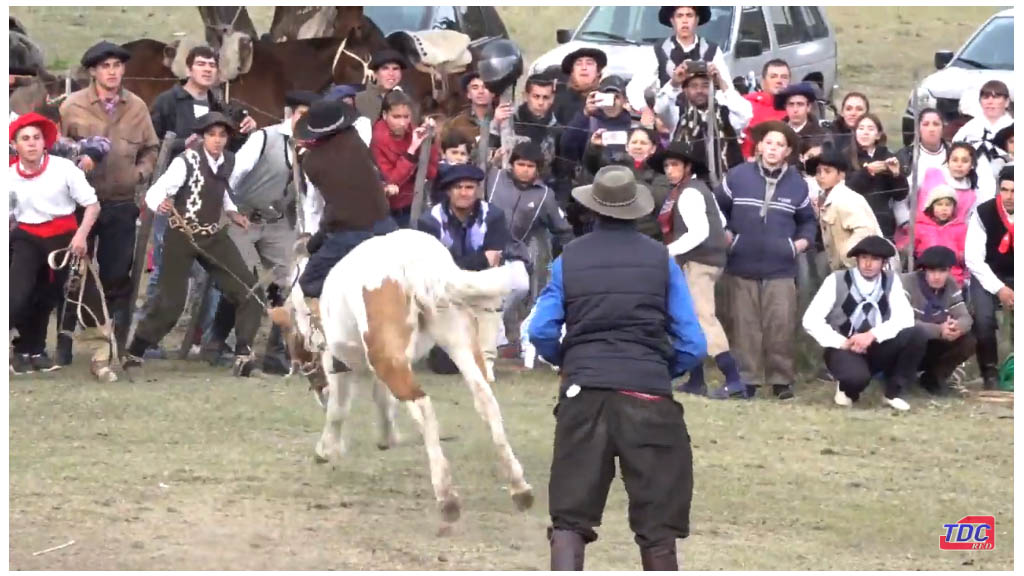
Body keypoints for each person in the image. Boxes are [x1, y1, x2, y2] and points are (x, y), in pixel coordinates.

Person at [527, 165, 706, 571]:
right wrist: (661, 369)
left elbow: (541, 330)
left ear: (594, 210)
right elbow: (693, 344)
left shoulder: (568, 259)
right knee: (658, 521)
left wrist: (567, 361)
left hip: (584, 391)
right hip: (647, 392)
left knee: (570, 517)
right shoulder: (661, 261)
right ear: (635, 210)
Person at [123, 113, 265, 377]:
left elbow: (221, 191)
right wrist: (161, 204)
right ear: (202, 137)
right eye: (212, 135)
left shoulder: (228, 161)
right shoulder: (185, 161)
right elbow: (156, 192)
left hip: (213, 235)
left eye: (222, 135)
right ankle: (136, 350)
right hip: (182, 235)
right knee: (171, 302)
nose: (217, 140)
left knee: (250, 290)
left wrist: (232, 212)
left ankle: (244, 356)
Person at [142, 44, 258, 362]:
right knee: (166, 271)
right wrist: (185, 145)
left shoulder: (218, 102)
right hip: (175, 194)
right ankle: (148, 337)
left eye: (212, 65)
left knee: (209, 274)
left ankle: (199, 338)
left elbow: (226, 149)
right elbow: (153, 143)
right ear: (189, 68)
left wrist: (247, 131)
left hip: (208, 198)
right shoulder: (169, 100)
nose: (207, 69)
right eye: (201, 64)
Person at [203, 90, 318, 374]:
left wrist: (304, 229)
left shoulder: (313, 147)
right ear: (290, 114)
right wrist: (230, 212)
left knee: (289, 282)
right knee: (246, 281)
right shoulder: (264, 138)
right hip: (243, 217)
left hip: (279, 220)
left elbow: (307, 192)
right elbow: (234, 175)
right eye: (302, 114)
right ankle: (218, 342)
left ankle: (276, 352)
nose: (306, 120)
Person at [59, 41, 159, 354]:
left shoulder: (138, 107)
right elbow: (56, 148)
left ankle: (112, 345)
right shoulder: (71, 105)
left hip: (120, 201)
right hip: (78, 204)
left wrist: (139, 174)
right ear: (92, 71)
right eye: (105, 66)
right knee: (74, 273)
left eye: (117, 65)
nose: (112, 72)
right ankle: (65, 343)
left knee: (117, 275)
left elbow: (151, 148)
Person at [716, 121, 817, 400]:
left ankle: (781, 380)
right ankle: (747, 379)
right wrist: (728, 237)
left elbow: (808, 222)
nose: (773, 149)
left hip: (781, 267)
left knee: (780, 323)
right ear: (759, 146)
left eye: (780, 145)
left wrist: (797, 246)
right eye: (769, 143)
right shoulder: (736, 176)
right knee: (744, 324)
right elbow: (716, 209)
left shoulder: (798, 185)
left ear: (787, 152)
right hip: (741, 263)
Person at [288, 99, 399, 329]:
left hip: (349, 233)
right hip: (386, 225)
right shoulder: (355, 139)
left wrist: (313, 243)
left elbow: (335, 210)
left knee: (309, 282)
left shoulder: (313, 162)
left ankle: (326, 334)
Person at [9, 113, 101, 374]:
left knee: (47, 296)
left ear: (44, 142)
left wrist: (81, 236)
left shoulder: (64, 168)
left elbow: (92, 205)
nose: (31, 143)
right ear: (14, 144)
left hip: (64, 237)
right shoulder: (9, 175)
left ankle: (33, 350)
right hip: (27, 235)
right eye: (25, 139)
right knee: (17, 293)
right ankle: (22, 347)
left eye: (36, 138)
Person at [651, 141, 744, 398]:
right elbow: (721, 222)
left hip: (699, 261)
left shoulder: (689, 192)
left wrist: (666, 251)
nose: (669, 170)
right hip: (701, 260)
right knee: (690, 317)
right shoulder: (694, 190)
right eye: (667, 165)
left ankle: (733, 379)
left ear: (687, 167)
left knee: (703, 318)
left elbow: (700, 232)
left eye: (675, 165)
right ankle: (697, 379)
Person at [802, 236, 925, 411]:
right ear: (857, 259)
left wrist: (872, 335)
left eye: (874, 259)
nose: (868, 264)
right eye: (864, 258)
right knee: (856, 379)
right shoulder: (836, 280)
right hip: (843, 347)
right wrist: (842, 342)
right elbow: (811, 319)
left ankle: (892, 393)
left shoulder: (891, 281)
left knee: (916, 333)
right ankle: (846, 386)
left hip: (875, 344)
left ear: (883, 262)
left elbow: (904, 317)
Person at [418, 163, 512, 381]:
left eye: (469, 187)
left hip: (480, 281)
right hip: (445, 287)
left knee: (494, 284)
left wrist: (453, 265)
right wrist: (471, 263)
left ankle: (486, 359)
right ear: (448, 191)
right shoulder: (430, 220)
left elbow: (493, 257)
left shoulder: (493, 215)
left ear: (477, 190)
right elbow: (431, 265)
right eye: (458, 187)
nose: (464, 192)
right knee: (445, 366)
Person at [485, 142, 574, 353]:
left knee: (521, 286)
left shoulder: (544, 195)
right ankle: (494, 339)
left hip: (515, 252)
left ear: (538, 169)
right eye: (521, 164)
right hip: (484, 249)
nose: (525, 170)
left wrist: (574, 253)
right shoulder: (495, 177)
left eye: (530, 166)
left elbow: (562, 228)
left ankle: (498, 328)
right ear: (512, 164)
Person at [628, 6, 731, 131]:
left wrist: (718, 80)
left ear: (697, 20)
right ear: (672, 20)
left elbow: (728, 91)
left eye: (689, 15)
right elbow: (635, 87)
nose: (685, 21)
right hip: (667, 120)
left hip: (704, 120)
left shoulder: (712, 50)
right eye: (680, 16)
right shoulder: (658, 50)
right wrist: (645, 109)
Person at [656, 61, 751, 178]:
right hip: (687, 186)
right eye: (693, 86)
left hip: (726, 185)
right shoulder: (677, 115)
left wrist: (721, 82)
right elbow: (660, 107)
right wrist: (674, 83)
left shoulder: (726, 114)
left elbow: (745, 114)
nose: (699, 90)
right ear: (685, 90)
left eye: (705, 85)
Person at [901, 246, 975, 395]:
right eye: (932, 271)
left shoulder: (950, 285)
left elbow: (965, 317)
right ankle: (901, 379)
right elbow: (904, 322)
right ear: (924, 270)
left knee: (969, 340)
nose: (937, 276)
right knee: (915, 333)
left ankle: (933, 379)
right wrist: (939, 330)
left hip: (933, 342)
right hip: (906, 344)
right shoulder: (906, 283)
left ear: (948, 271)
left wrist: (957, 327)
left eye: (942, 271)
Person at [965, 165, 1013, 390]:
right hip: (988, 273)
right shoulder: (984, 212)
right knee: (983, 319)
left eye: (1015, 191)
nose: (1009, 197)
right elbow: (973, 259)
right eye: (1005, 190)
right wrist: (999, 288)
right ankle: (989, 371)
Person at [807, 143, 883, 271]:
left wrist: (846, 257)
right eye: (818, 172)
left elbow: (864, 230)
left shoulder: (845, 198)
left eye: (827, 171)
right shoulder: (827, 198)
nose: (822, 176)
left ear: (841, 174)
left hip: (860, 268)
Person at [584, 126, 669, 240]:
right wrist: (594, 148)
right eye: (634, 142)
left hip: (645, 234)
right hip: (611, 230)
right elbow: (593, 166)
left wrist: (628, 175)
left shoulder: (660, 172)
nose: (638, 146)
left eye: (643, 143)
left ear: (653, 148)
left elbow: (659, 199)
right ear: (627, 147)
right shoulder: (616, 164)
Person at [370, 91, 440, 228]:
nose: (402, 123)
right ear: (385, 115)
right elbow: (392, 181)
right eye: (396, 117)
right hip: (388, 211)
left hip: (415, 203)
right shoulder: (377, 140)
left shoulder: (413, 132)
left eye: (406, 117)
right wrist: (411, 150)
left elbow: (431, 173)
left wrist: (429, 142)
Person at [844, 113, 907, 240]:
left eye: (870, 129)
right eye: (861, 129)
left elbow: (900, 195)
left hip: (882, 222)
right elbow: (846, 189)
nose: (865, 133)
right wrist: (867, 172)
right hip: (854, 220)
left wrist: (896, 174)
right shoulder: (846, 156)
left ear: (878, 135)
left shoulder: (887, 155)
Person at [490, 73, 560, 180]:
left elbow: (559, 168)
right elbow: (487, 151)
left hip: (541, 185)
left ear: (552, 99)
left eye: (545, 97)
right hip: (505, 180)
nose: (540, 102)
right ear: (526, 96)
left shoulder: (556, 129)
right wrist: (495, 123)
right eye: (536, 96)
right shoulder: (508, 120)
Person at [954, 79, 1013, 204]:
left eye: (996, 97)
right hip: (973, 193)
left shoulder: (1013, 130)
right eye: (986, 97)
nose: (990, 102)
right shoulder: (968, 130)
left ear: (1007, 102)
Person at [561, 75, 635, 166]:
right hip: (594, 175)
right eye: (607, 98)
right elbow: (566, 146)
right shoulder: (589, 121)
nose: (611, 103)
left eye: (616, 97)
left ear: (624, 100)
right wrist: (585, 114)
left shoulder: (633, 125)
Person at [913, 185, 968, 286]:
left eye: (948, 205)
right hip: (926, 276)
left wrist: (961, 256)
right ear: (931, 206)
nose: (944, 208)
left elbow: (964, 253)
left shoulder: (960, 227)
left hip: (954, 277)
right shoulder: (920, 226)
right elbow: (912, 251)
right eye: (939, 204)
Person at [740, 59, 791, 159]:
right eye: (773, 77)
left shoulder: (794, 106)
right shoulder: (746, 103)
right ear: (763, 81)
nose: (779, 81)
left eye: (784, 77)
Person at [775, 82, 828, 168]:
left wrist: (822, 151)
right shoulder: (775, 132)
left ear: (808, 107)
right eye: (791, 104)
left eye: (800, 104)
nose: (795, 110)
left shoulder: (822, 136)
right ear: (785, 107)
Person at [552, 47, 605, 125]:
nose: (584, 68)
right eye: (579, 64)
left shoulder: (604, 97)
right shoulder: (560, 100)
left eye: (589, 63)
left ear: (598, 72)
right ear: (572, 72)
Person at [441, 71, 495, 146]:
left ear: (493, 93)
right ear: (469, 94)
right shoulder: (456, 124)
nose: (481, 91)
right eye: (475, 88)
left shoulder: (502, 119)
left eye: (485, 87)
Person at [355, 49, 410, 121]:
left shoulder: (404, 98)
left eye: (395, 69)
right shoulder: (358, 99)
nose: (391, 73)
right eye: (385, 68)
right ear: (375, 74)